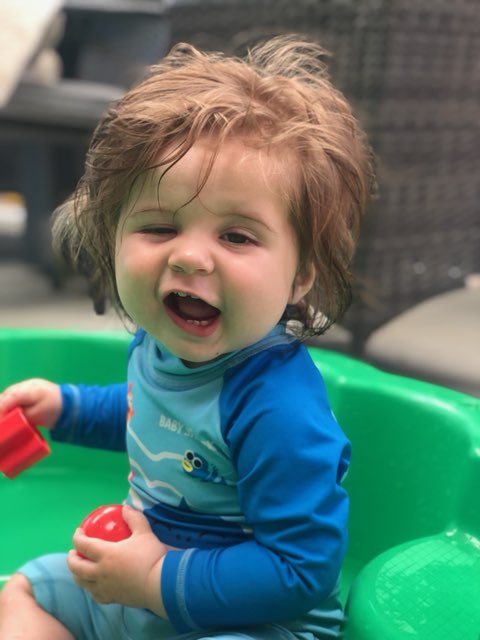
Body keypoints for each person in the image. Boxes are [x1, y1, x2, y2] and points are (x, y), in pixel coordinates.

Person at [0, 35, 374, 640]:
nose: (190, 256)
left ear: (300, 276)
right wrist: (64, 408)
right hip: (136, 588)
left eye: (237, 236)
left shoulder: (277, 408)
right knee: (27, 591)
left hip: (251, 620)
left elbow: (302, 570)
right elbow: (145, 417)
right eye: (159, 227)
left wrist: (155, 577)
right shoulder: (160, 348)